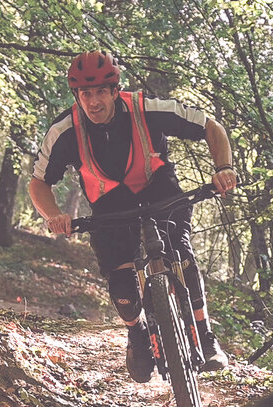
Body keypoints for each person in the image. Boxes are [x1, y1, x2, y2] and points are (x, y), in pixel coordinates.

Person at [29, 51, 237, 383]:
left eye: (100, 92)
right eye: (85, 94)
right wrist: (53, 215)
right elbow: (39, 183)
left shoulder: (148, 109)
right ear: (77, 96)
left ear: (114, 91)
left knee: (181, 256)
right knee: (122, 283)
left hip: (160, 191)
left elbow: (211, 128)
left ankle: (205, 335)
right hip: (110, 206)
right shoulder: (64, 130)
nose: (93, 101)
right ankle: (137, 333)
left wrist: (223, 168)